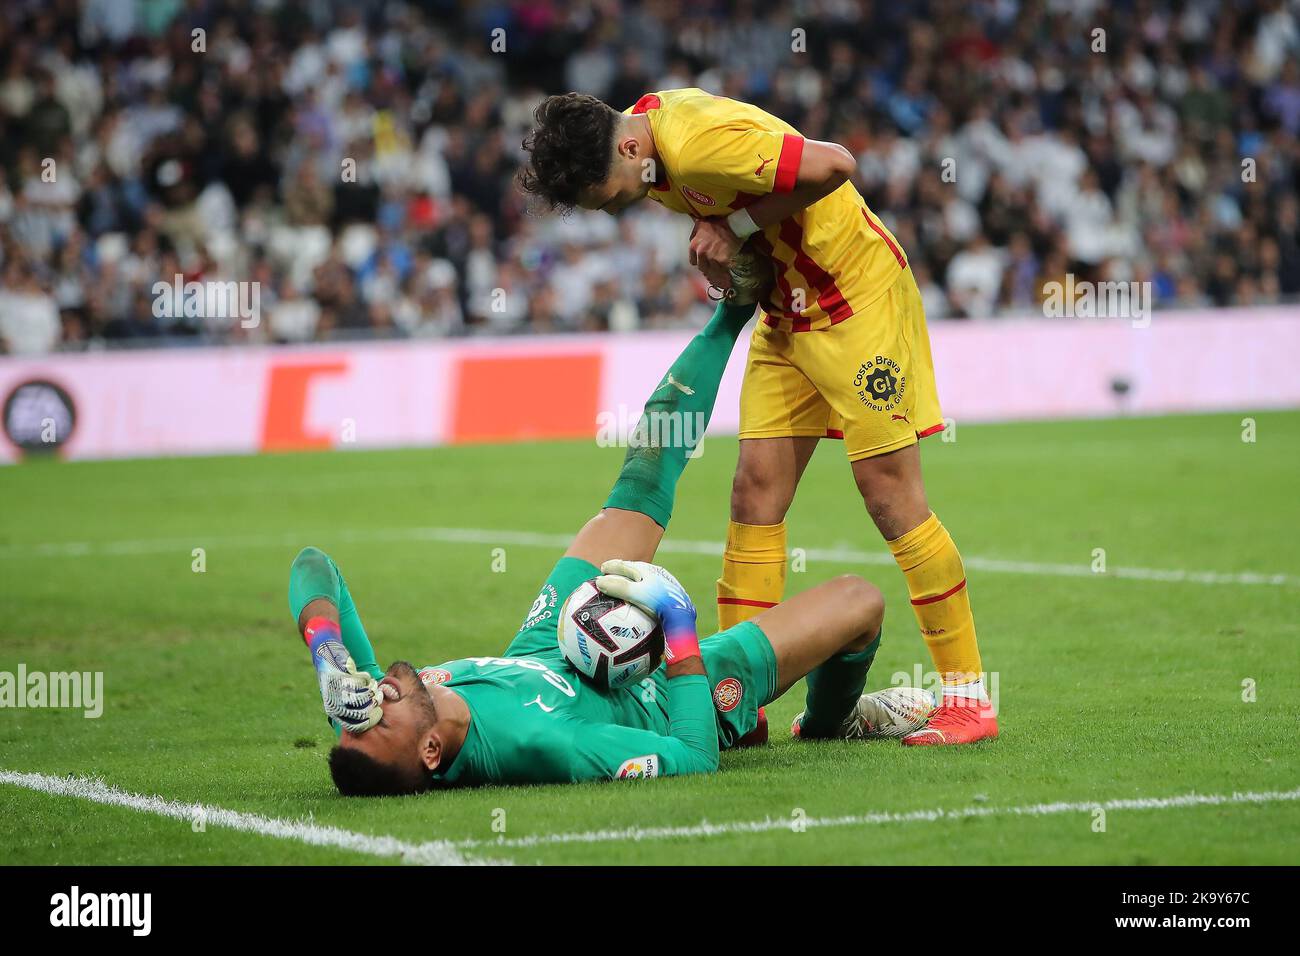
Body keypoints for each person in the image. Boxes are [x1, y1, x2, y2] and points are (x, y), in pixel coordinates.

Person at [288, 298, 933, 795]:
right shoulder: (542, 747)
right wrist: (677, 625)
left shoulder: (385, 696)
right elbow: (692, 759)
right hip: (664, 688)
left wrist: (330, 657)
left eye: (354, 713)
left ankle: (732, 309)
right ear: (431, 753)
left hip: (546, 641)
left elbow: (314, 567)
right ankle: (831, 723)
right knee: (860, 601)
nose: (367, 706)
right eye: (375, 725)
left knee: (643, 477)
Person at [519, 89, 996, 744]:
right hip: (786, 311)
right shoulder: (646, 151)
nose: (619, 207)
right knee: (754, 493)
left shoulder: (695, 142)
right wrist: (730, 268)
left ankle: (970, 699)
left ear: (628, 147)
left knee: (889, 493)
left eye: (611, 194)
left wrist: (735, 230)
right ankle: (735, 703)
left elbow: (836, 164)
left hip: (855, 302)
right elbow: (738, 225)